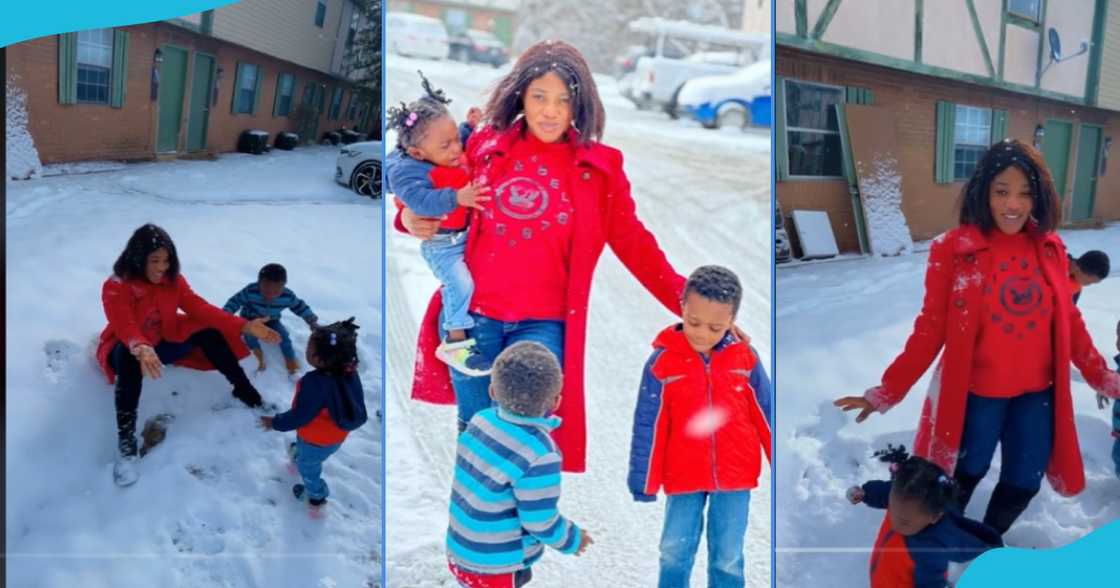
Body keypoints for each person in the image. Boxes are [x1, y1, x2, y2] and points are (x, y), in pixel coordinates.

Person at [396, 40, 692, 472]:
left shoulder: (599, 169)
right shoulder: (484, 146)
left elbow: (635, 243)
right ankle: (472, 516)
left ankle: (526, 516)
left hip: (543, 324)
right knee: (476, 437)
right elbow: (422, 175)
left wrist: (689, 303)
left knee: (527, 442)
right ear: (521, 96)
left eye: (563, 100)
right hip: (473, 321)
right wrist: (405, 216)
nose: (550, 111)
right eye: (539, 97)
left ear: (579, 105)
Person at [834, 139, 1120, 535]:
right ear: (984, 192)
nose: (1013, 204)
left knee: (1024, 479)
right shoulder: (953, 249)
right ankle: (944, 540)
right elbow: (930, 328)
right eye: (1001, 191)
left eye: (1024, 193)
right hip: (977, 395)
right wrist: (887, 390)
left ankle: (986, 539)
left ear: (1038, 197)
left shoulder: (1050, 249)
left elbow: (1069, 323)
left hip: (1036, 396)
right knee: (961, 475)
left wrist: (1104, 377)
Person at [97, 223, 280, 486]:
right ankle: (126, 445)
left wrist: (244, 325)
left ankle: (245, 391)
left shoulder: (173, 281)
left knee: (209, 332)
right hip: (130, 347)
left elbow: (199, 307)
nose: (162, 267)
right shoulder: (117, 285)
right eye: (155, 260)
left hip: (163, 342)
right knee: (127, 357)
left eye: (166, 260)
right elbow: (123, 324)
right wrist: (141, 347)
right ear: (138, 257)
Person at [627, 266, 771, 588]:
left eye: (715, 327)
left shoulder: (744, 358)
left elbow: (767, 413)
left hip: (735, 474)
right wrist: (643, 481)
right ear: (682, 307)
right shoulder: (662, 363)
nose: (702, 334)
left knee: (728, 557)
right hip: (683, 473)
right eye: (694, 322)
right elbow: (648, 425)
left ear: (732, 321)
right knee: (674, 551)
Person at [446, 341, 592, 587]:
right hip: (498, 564)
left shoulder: (480, 421)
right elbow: (538, 519)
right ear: (556, 402)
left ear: (492, 391)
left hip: (461, 548)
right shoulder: (540, 453)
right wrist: (572, 539)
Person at [385, 72, 491, 376]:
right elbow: (420, 201)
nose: (457, 149)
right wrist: (457, 197)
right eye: (447, 146)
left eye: (456, 139)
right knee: (460, 284)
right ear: (417, 153)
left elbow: (452, 139)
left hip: (464, 237)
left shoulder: (443, 151)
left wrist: (468, 128)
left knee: (468, 284)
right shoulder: (408, 170)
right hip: (442, 245)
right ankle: (454, 342)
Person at [848, 445, 1002, 588]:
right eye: (891, 509)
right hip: (883, 575)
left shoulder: (929, 548)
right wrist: (865, 493)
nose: (894, 521)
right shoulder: (903, 498)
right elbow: (883, 492)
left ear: (934, 517)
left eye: (904, 521)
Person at [260, 318, 367, 507]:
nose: (306, 351)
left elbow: (300, 416)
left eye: (309, 349)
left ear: (319, 359)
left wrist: (275, 422)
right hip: (336, 435)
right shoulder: (349, 372)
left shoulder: (314, 383)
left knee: (308, 468)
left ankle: (316, 496)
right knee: (309, 453)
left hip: (314, 439)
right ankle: (300, 453)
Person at [224, 263, 319, 376]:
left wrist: (311, 320)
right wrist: (225, 315)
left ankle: (290, 361)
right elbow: (235, 301)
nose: (271, 295)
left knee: (283, 336)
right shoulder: (250, 291)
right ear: (259, 283)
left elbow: (299, 306)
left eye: (276, 292)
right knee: (250, 336)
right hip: (250, 320)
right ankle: (257, 357)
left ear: (283, 286)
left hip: (272, 320)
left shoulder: (287, 296)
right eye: (266, 291)